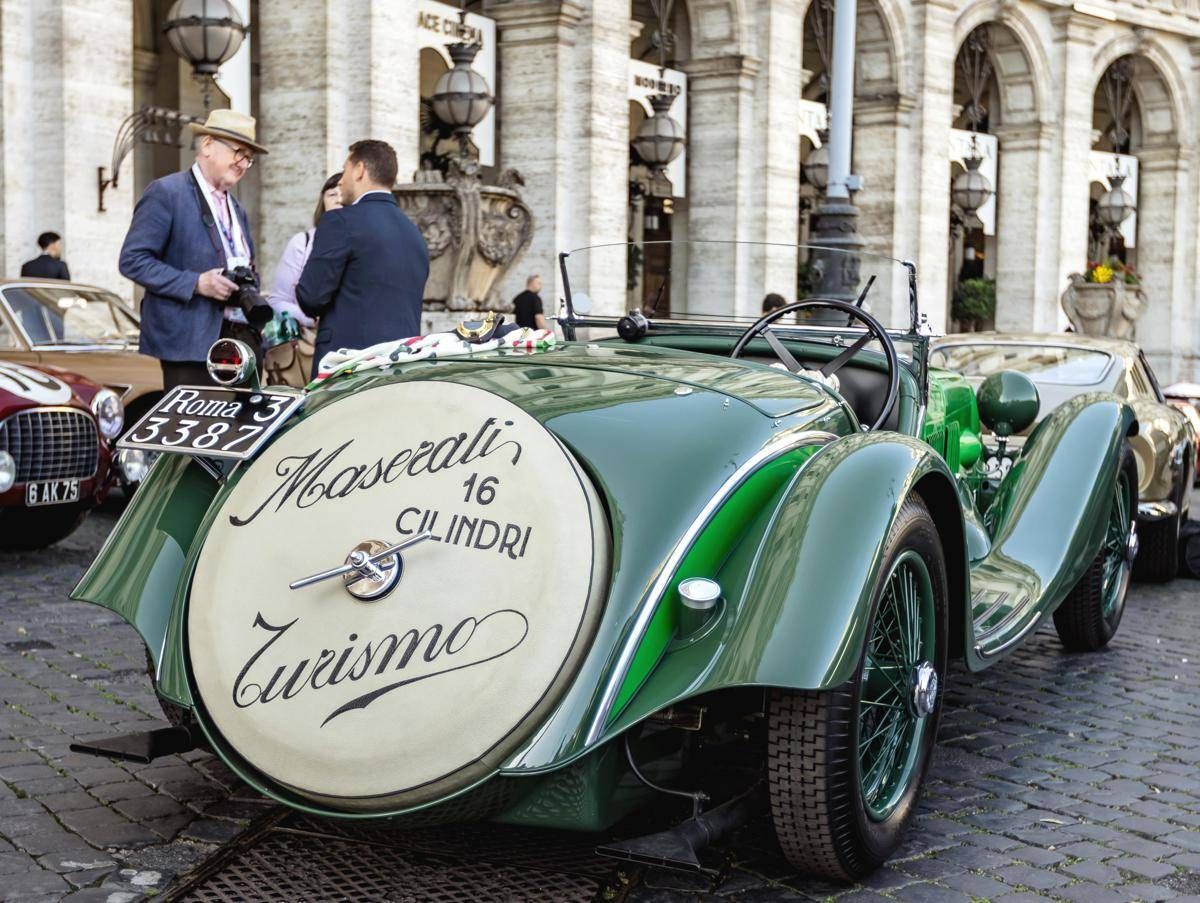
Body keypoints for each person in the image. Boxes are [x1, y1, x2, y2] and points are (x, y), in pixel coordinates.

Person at [119, 109, 267, 391]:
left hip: (241, 342)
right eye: (239, 152)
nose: (243, 164)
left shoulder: (237, 208)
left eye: (249, 158)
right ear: (207, 145)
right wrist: (197, 283)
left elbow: (248, 265)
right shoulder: (167, 192)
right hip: (189, 346)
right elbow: (132, 260)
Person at [296, 139, 429, 376]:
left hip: (349, 367)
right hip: (401, 368)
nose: (341, 180)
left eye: (345, 170)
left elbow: (311, 297)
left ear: (359, 170)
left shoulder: (340, 221)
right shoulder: (415, 234)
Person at [268, 173, 343, 327]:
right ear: (323, 202)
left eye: (344, 193)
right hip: (312, 336)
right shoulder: (302, 243)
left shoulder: (366, 243)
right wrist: (312, 318)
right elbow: (278, 301)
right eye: (332, 194)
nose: (339, 199)